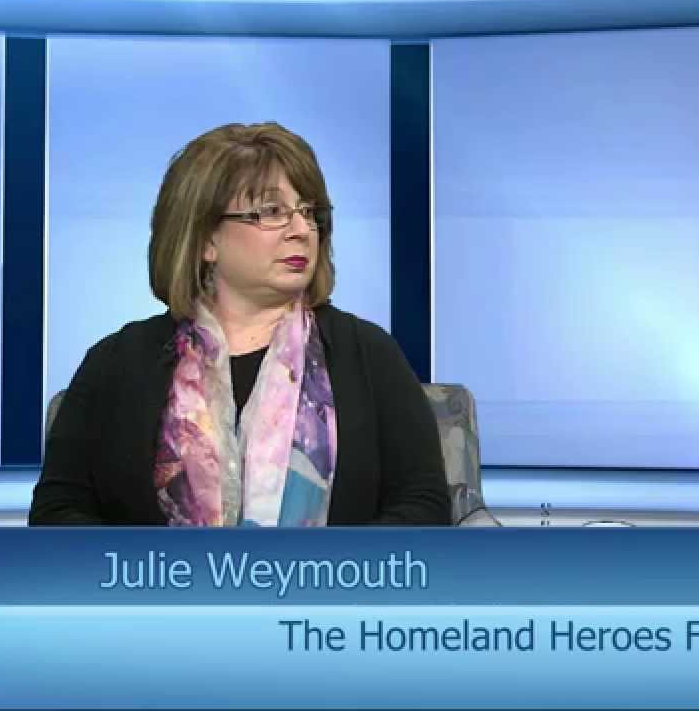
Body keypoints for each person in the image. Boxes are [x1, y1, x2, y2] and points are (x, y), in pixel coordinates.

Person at [30, 122, 451, 526]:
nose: (302, 230)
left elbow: (423, 507)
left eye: (309, 212)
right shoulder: (118, 364)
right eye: (272, 212)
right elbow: (57, 513)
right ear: (206, 240)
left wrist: (329, 567)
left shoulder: (368, 355)